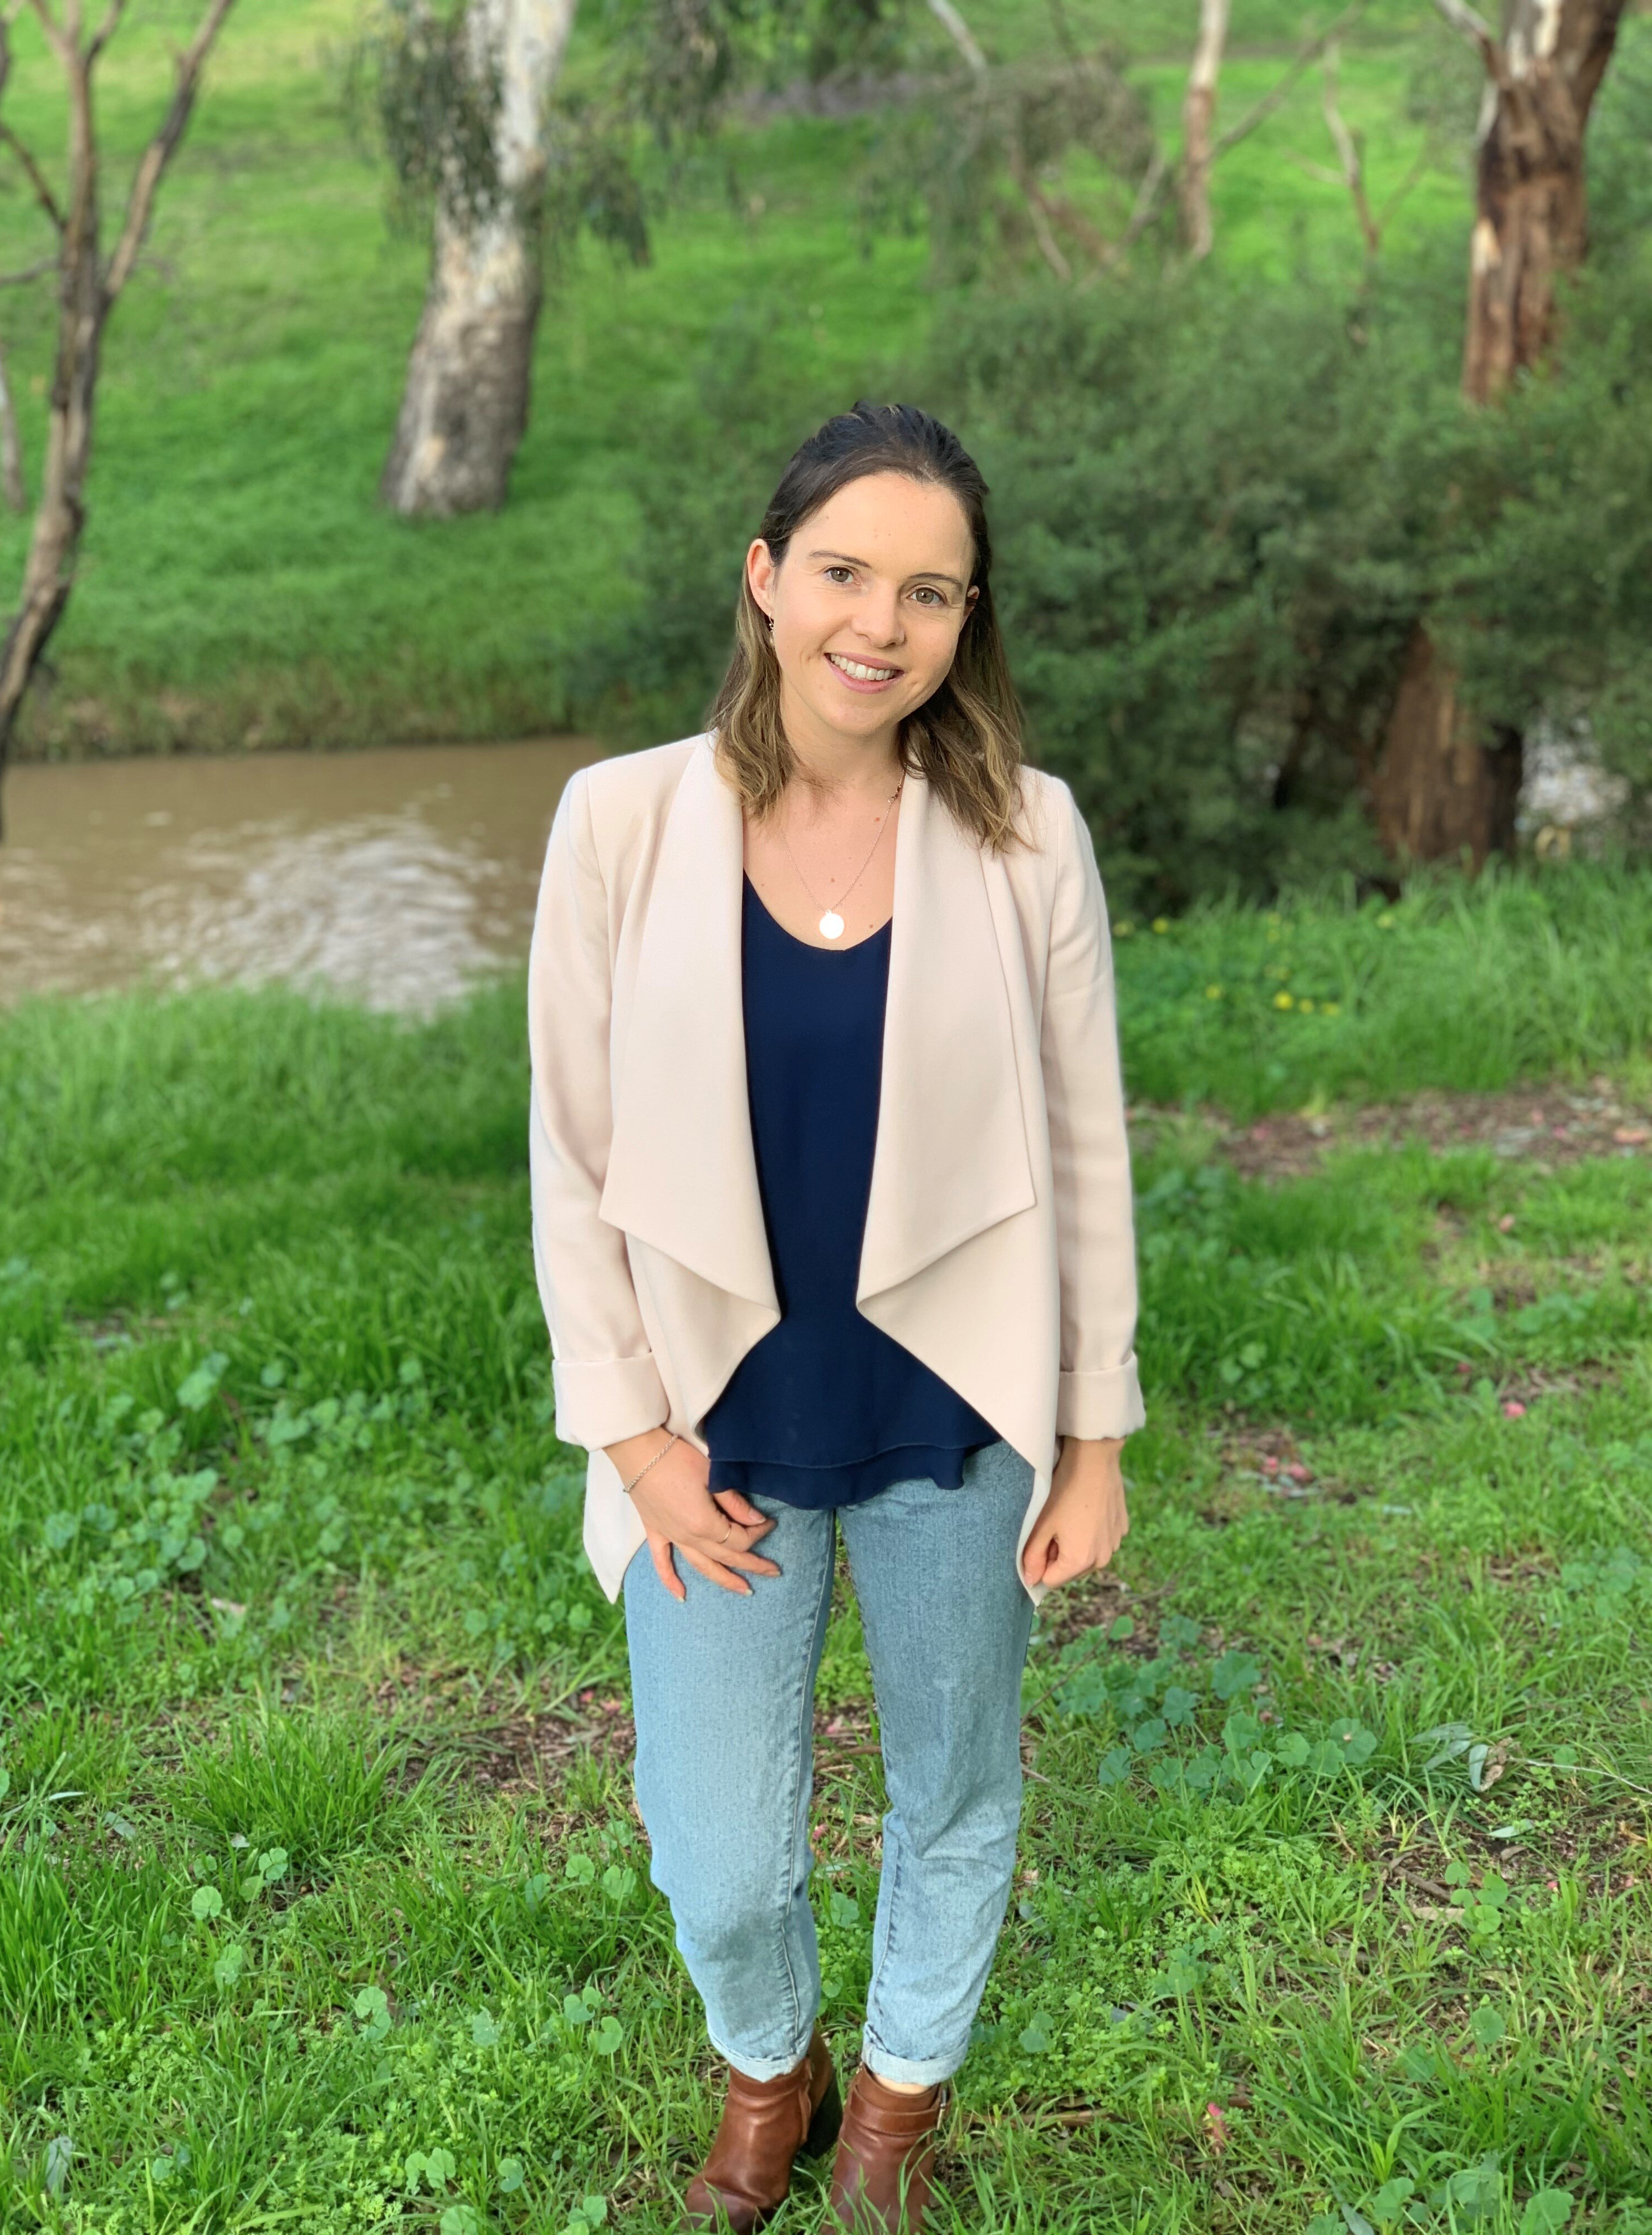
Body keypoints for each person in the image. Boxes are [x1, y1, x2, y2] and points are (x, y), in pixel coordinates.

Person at [527, 401, 1143, 2233]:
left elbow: (1090, 1151)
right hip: (706, 1429)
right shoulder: (621, 821)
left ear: (969, 621)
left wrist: (1095, 1436)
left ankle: (891, 2109)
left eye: (932, 591)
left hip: (956, 1415)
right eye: (848, 574)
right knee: (716, 1854)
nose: (883, 624)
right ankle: (766, 2060)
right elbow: (569, 1158)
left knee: (954, 1788)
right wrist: (631, 1439)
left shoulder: (1028, 836)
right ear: (766, 579)